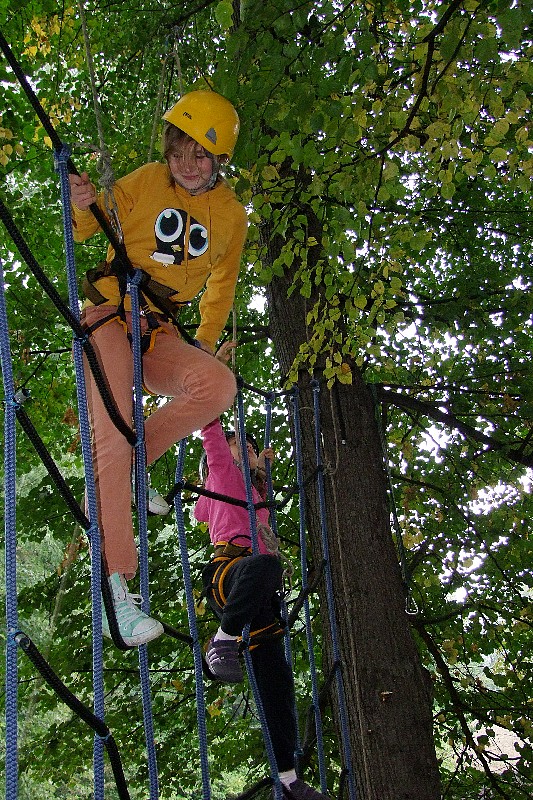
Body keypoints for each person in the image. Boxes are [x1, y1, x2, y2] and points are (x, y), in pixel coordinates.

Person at [69, 90, 247, 647]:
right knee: (112, 431)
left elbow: (222, 286)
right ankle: (116, 588)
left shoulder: (231, 216)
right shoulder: (147, 181)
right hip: (108, 315)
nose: (188, 166)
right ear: (167, 151)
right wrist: (81, 202)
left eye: (201, 156)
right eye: (179, 153)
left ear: (219, 160)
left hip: (158, 331)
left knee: (217, 384)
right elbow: (86, 228)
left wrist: (206, 342)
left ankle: (138, 459)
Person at [194, 343, 330, 800]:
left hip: (259, 596)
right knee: (266, 565)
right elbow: (211, 431)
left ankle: (288, 781)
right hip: (230, 573)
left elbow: (251, 505)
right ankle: (221, 641)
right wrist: (214, 370)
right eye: (242, 444)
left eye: (251, 445)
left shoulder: (257, 492)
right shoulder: (220, 474)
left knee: (278, 685)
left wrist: (262, 468)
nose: (248, 446)